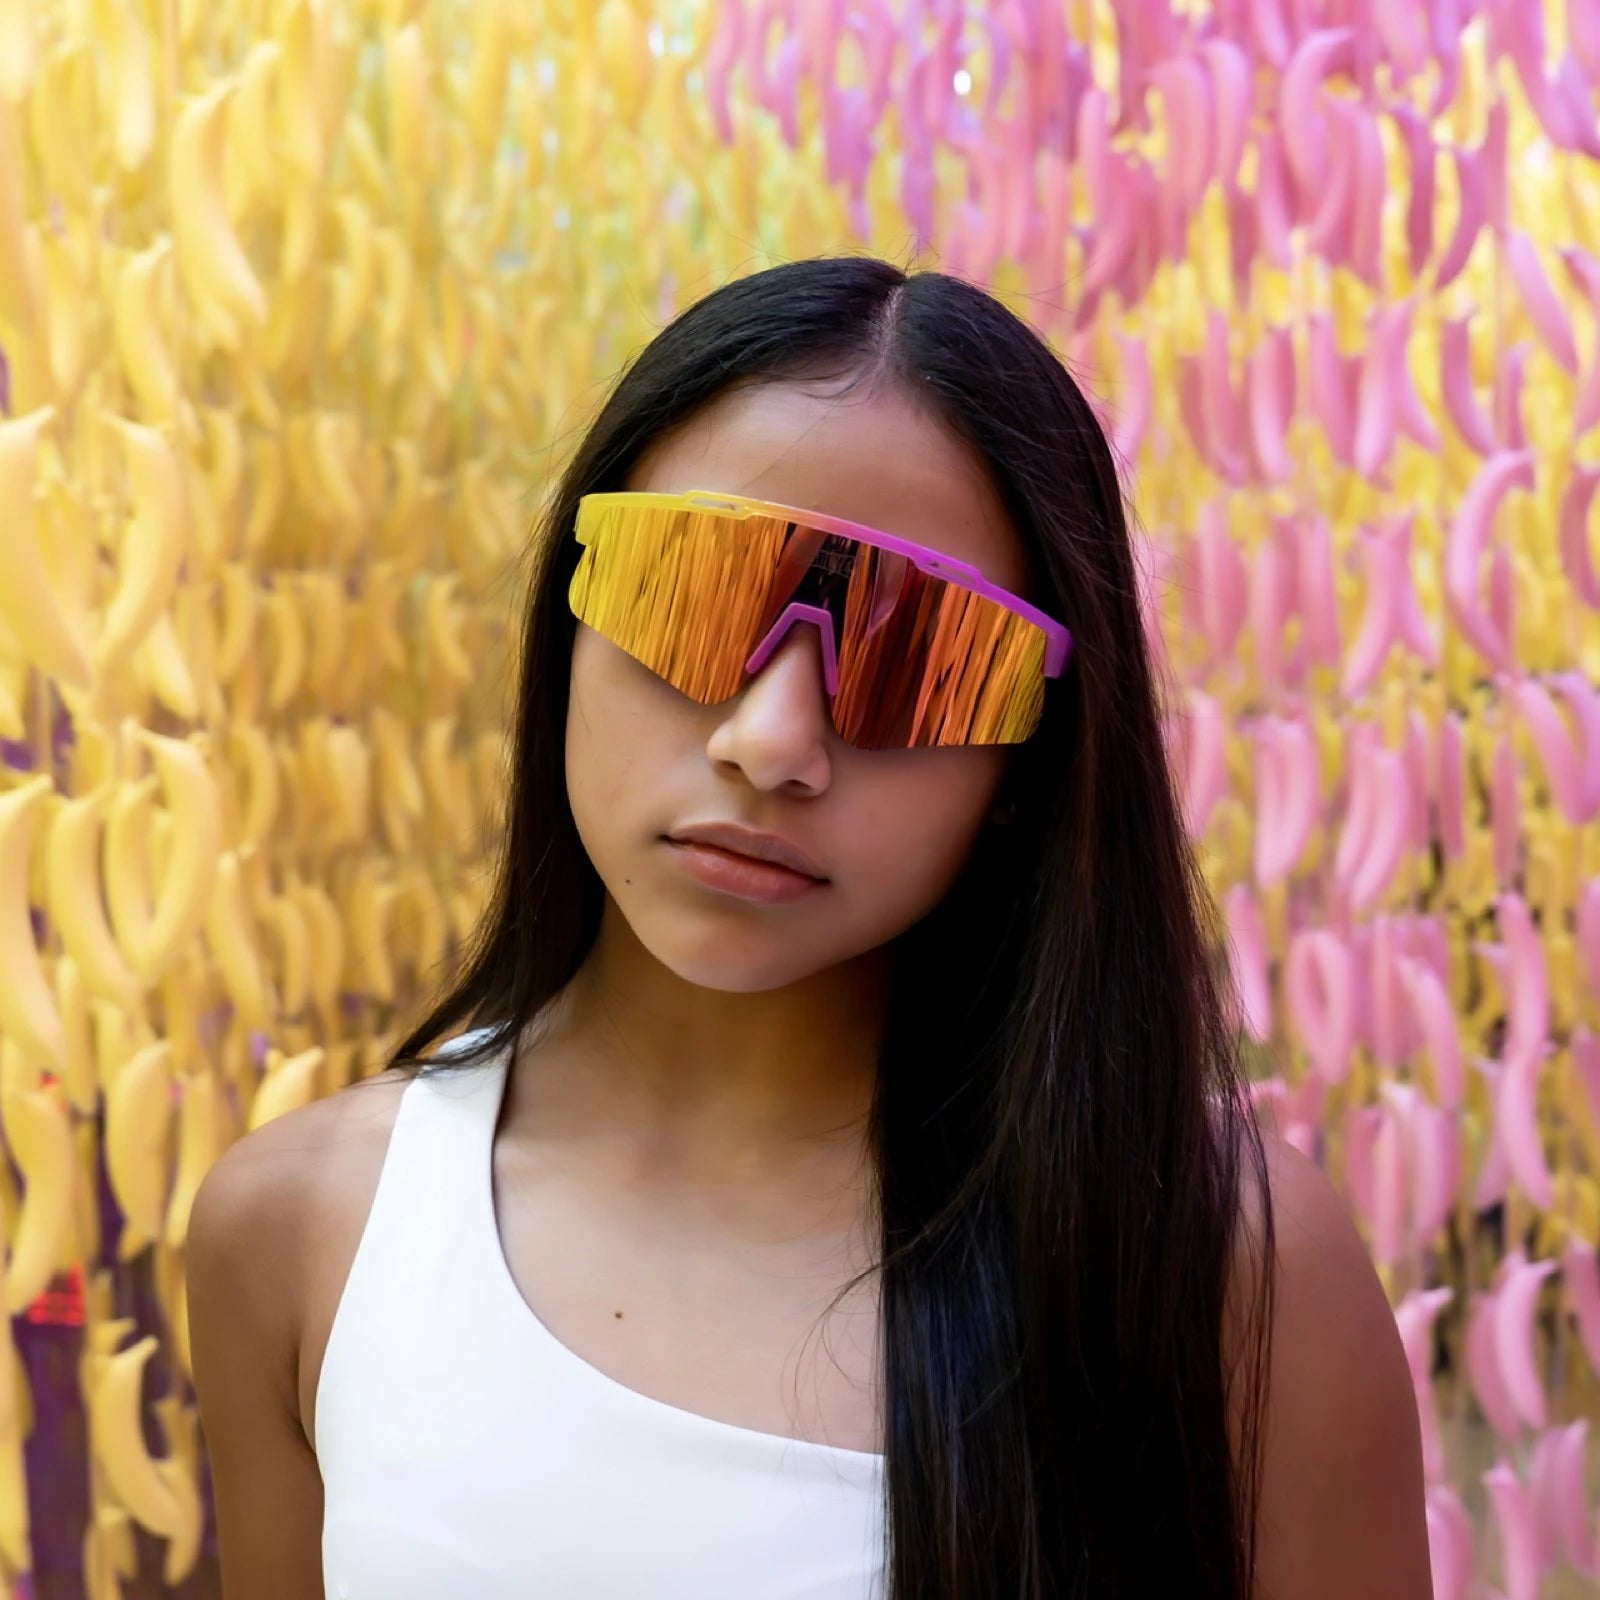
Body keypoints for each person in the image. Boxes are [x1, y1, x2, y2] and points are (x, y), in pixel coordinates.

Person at [186, 258, 1431, 1598]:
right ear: (570, 611)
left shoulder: (1222, 1272)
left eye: (920, 657)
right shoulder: (303, 1231)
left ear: (1028, 766)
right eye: (693, 593)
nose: (771, 741)